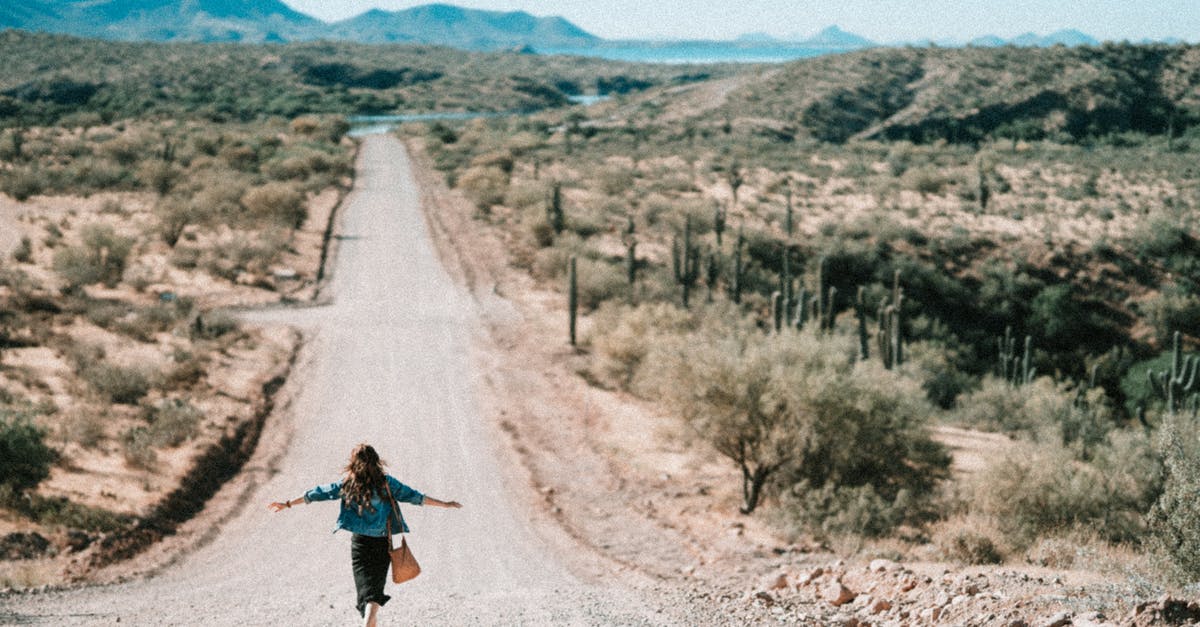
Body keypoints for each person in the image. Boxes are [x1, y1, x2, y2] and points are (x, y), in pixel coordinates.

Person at [268, 444, 462, 627]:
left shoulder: (348, 484)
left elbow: (318, 493)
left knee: (365, 594)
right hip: (381, 544)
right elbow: (414, 496)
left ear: (354, 463)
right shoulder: (387, 483)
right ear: (376, 461)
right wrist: (445, 504)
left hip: (359, 545)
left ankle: (365, 622)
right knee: (374, 593)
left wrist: (288, 503)